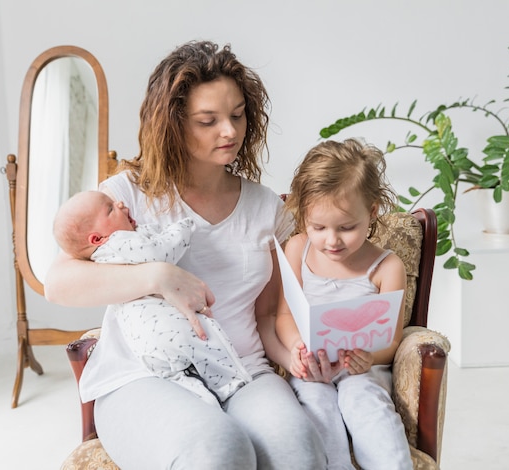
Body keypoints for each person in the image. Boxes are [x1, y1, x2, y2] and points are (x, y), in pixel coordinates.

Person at [44, 41, 326, 469]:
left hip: (243, 371)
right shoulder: (125, 196)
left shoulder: (266, 208)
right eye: (207, 121)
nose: (229, 132)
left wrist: (298, 358)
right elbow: (58, 283)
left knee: (298, 448)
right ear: (173, 124)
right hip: (144, 376)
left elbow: (270, 317)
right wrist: (158, 276)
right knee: (218, 448)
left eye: (237, 115)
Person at [273, 138, 412, 469]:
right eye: (318, 227)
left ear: (373, 211)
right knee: (315, 405)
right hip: (312, 368)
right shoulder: (297, 249)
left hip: (362, 371)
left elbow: (392, 341)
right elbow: (282, 315)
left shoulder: (388, 268)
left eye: (347, 228)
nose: (331, 240)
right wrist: (297, 347)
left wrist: (367, 358)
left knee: (363, 401)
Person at [52, 190, 253, 406]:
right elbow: (159, 251)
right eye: (110, 208)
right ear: (97, 238)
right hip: (164, 329)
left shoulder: (108, 251)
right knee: (208, 345)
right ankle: (231, 384)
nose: (120, 203)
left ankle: (204, 397)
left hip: (147, 341)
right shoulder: (118, 242)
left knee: (180, 376)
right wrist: (182, 228)